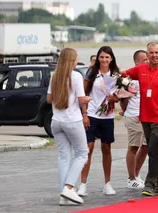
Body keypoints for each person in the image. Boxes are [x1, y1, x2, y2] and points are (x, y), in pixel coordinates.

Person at [123, 42, 158, 196]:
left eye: (156, 52)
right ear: (146, 55)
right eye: (151, 53)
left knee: (153, 148)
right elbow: (122, 74)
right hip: (144, 117)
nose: (154, 55)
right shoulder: (140, 70)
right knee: (154, 151)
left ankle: (150, 184)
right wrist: (103, 70)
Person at [48, 48, 90, 206]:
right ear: (72, 61)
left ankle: (64, 196)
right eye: (76, 59)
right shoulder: (76, 76)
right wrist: (89, 99)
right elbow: (81, 99)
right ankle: (69, 187)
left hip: (56, 121)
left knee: (64, 157)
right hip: (72, 120)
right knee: (82, 154)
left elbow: (49, 98)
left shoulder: (55, 77)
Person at [78, 46, 120, 196]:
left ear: (111, 59)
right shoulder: (91, 72)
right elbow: (82, 94)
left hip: (107, 116)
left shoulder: (115, 74)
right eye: (102, 57)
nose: (104, 60)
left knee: (106, 149)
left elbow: (118, 96)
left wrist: (114, 98)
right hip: (91, 115)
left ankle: (107, 183)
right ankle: (83, 184)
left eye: (107, 57)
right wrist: (84, 114)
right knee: (88, 148)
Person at [120, 50, 148, 189]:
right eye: (144, 59)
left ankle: (136, 174)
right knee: (133, 147)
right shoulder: (129, 79)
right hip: (133, 116)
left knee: (145, 147)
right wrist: (124, 109)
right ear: (136, 62)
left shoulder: (147, 75)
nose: (147, 61)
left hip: (146, 116)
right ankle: (131, 178)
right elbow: (122, 99)